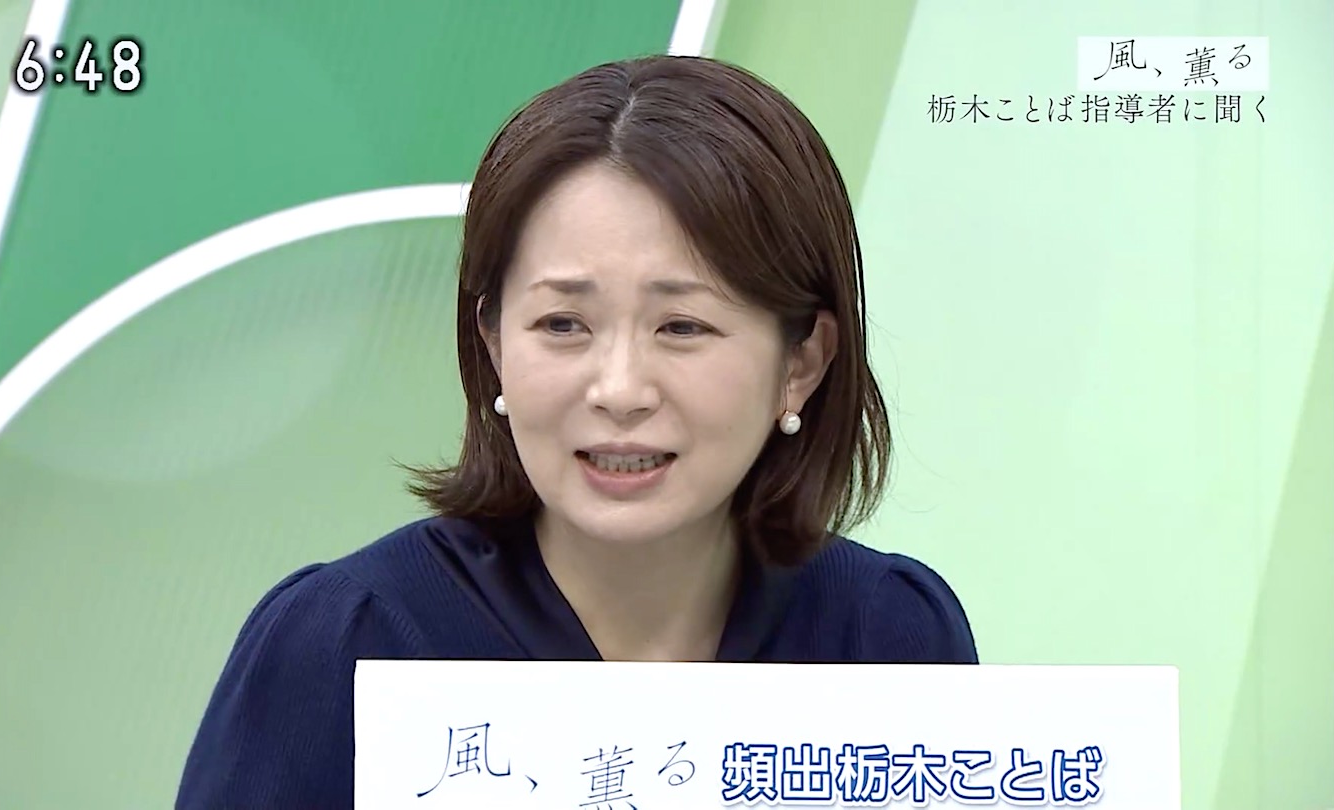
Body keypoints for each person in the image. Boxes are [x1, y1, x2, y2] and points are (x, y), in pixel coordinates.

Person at [175, 54, 976, 808]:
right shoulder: (344, 641)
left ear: (800, 363)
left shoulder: (885, 635)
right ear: (494, 345)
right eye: (562, 324)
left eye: (682, 327)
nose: (619, 390)